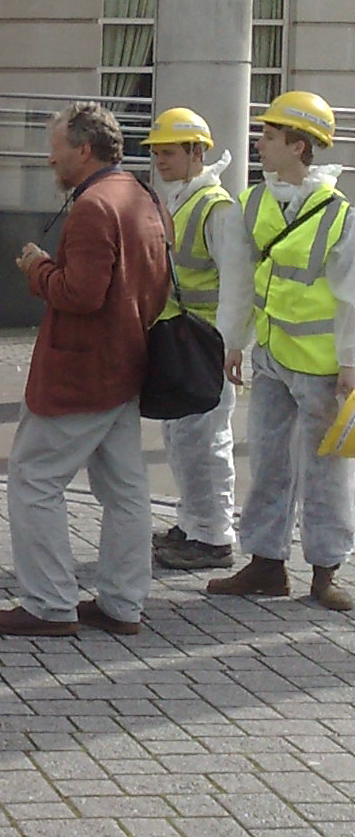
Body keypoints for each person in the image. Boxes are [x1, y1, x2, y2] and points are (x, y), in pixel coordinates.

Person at [0, 101, 171, 638]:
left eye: (57, 146)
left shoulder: (94, 207)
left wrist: (37, 267)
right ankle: (122, 602)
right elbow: (156, 280)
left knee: (33, 478)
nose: (50, 158)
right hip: (126, 364)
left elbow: (80, 294)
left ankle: (48, 603)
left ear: (83, 149)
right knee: (126, 490)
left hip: (80, 373)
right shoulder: (142, 194)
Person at [207, 89, 355, 611]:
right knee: (269, 461)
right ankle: (267, 565)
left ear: (299, 146)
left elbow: (351, 295)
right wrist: (231, 344)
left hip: (321, 370)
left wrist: (351, 363)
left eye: (269, 136)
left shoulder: (338, 214)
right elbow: (239, 286)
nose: (258, 143)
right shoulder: (251, 204)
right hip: (271, 358)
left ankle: (325, 570)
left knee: (325, 469)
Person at [146, 107, 253, 572]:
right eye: (157, 153)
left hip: (204, 343)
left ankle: (212, 537)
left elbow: (236, 281)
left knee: (206, 441)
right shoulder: (182, 200)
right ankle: (194, 524)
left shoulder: (215, 206)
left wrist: (231, 344)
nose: (160, 161)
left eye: (169, 152)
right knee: (184, 439)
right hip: (184, 339)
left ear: (197, 152)